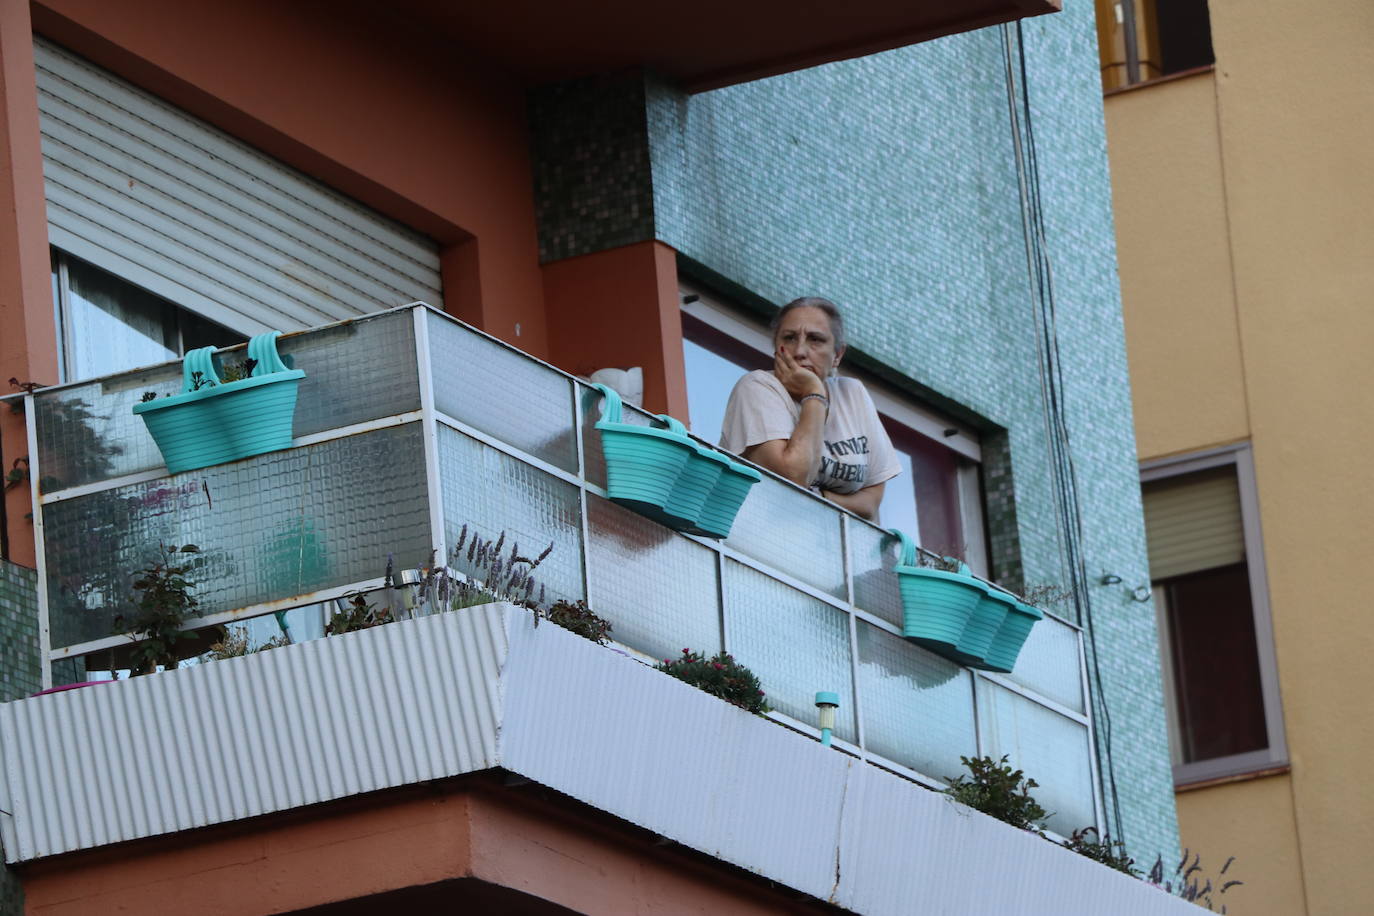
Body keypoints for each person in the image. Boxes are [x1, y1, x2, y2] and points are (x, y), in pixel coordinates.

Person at [719, 297, 900, 521]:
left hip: (838, 550)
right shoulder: (757, 387)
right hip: (764, 543)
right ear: (776, 347)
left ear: (838, 355)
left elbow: (870, 503)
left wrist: (819, 496)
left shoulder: (853, 393)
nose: (800, 351)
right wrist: (814, 394)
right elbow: (792, 480)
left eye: (815, 339)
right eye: (789, 338)